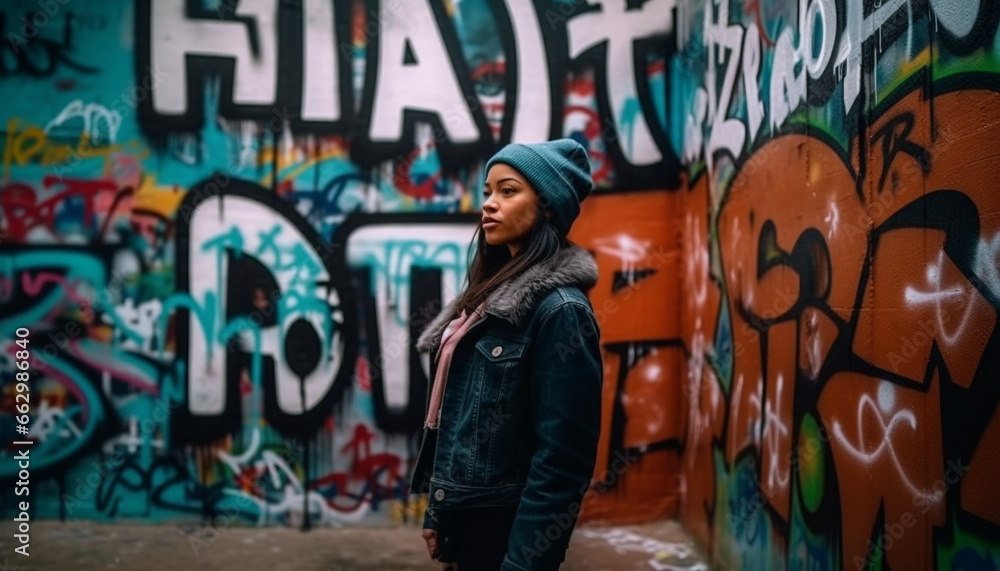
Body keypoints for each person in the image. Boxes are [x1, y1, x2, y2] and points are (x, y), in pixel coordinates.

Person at [409, 138, 604, 571]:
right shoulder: (487, 298)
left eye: (508, 191)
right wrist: (441, 509)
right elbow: (456, 417)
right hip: (469, 518)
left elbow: (562, 461)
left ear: (548, 206)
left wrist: (525, 562)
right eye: (487, 192)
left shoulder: (561, 312)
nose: (489, 205)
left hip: (506, 529)